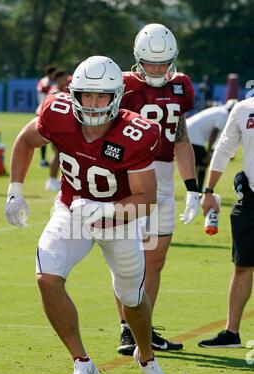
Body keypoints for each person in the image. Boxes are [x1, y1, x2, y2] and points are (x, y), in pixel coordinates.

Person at [5, 56, 172, 374]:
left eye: (101, 96)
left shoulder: (137, 133)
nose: (93, 104)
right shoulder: (58, 113)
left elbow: (145, 198)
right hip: (72, 210)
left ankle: (147, 358)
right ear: (75, 94)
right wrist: (15, 190)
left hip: (120, 219)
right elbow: (25, 140)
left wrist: (105, 210)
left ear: (116, 96)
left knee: (131, 299)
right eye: (86, 95)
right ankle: (82, 362)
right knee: (47, 278)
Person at [116, 23, 200, 355]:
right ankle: (127, 329)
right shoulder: (121, 84)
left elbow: (180, 139)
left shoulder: (181, 86)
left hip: (164, 182)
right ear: (137, 59)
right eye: (149, 63)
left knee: (155, 260)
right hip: (132, 180)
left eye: (162, 63)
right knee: (126, 260)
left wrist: (191, 186)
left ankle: (144, 327)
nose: (155, 69)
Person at [199, 96, 254, 348]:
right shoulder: (244, 108)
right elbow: (224, 149)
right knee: (242, 265)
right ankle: (231, 333)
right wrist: (208, 191)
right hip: (251, 197)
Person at [187, 99, 238, 192]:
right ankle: (197, 191)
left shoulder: (220, 110)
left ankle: (195, 190)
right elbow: (214, 134)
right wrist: (208, 152)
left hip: (190, 130)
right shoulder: (224, 115)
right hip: (194, 134)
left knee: (196, 164)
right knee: (202, 163)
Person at [44, 70, 70, 192]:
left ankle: (58, 179)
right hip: (54, 126)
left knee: (62, 154)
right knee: (58, 153)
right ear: (58, 79)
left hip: (61, 126)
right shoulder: (54, 92)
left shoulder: (63, 90)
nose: (66, 81)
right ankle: (51, 180)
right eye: (64, 78)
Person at [36, 65, 57, 167]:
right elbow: (43, 89)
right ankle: (43, 159)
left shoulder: (51, 83)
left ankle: (55, 157)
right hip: (43, 110)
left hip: (47, 110)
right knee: (43, 136)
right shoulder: (45, 81)